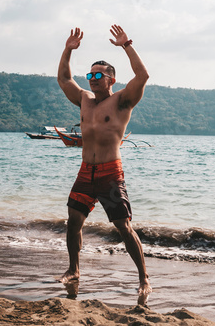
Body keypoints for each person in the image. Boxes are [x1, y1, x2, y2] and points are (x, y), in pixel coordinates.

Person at [56, 25, 151, 305]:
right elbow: (63, 78)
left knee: (123, 226)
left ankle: (144, 279)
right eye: (91, 74)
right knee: (73, 223)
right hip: (86, 172)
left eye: (99, 75)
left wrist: (126, 45)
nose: (93, 79)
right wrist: (67, 50)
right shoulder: (84, 100)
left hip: (110, 173)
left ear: (111, 79)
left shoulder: (122, 102)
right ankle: (73, 270)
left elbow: (143, 75)